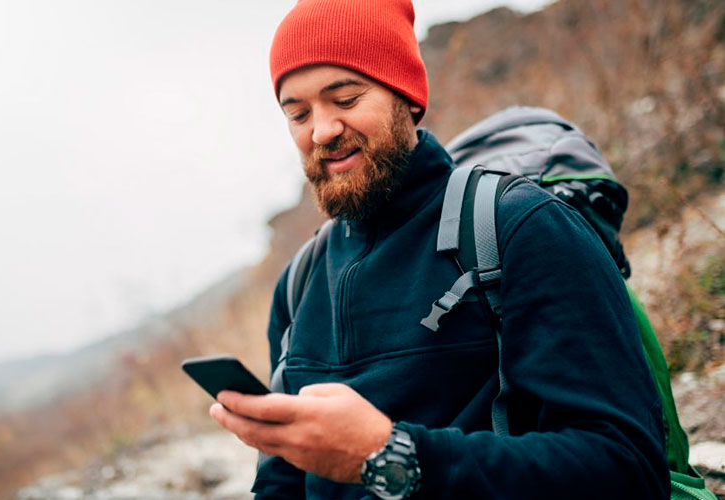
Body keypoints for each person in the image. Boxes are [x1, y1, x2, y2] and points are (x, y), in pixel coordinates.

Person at [209, 0, 670, 498]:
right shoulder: (299, 285)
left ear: (405, 95)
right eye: (297, 113)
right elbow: (282, 483)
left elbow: (628, 468)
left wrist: (392, 454)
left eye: (345, 99)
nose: (321, 130)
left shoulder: (519, 227)